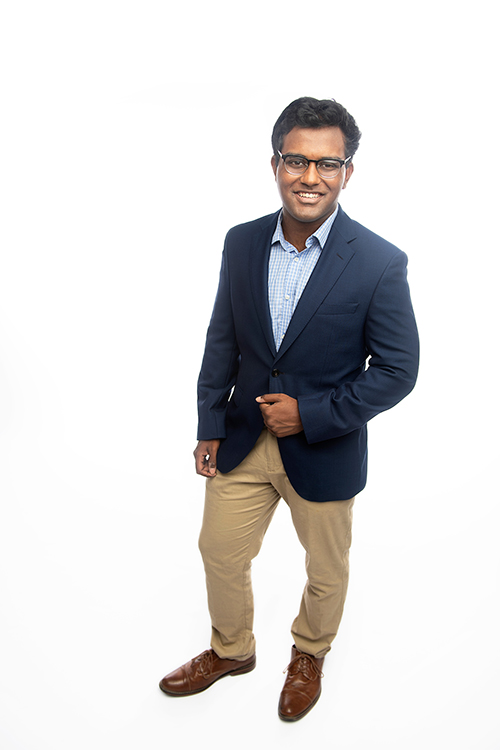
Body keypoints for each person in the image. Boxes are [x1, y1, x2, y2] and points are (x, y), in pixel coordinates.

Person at [159, 97, 419, 721]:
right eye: (297, 160)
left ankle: (310, 652)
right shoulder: (242, 243)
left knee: (325, 568)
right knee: (219, 551)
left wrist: (313, 414)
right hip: (243, 437)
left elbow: (398, 371)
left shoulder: (380, 261)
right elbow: (222, 337)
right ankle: (231, 650)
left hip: (324, 448)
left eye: (328, 164)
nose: (311, 177)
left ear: (347, 172)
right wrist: (208, 422)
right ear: (275, 163)